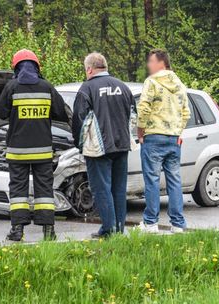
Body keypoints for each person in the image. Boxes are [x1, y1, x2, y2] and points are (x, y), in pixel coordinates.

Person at [0, 49, 69, 241]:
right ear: (37, 67)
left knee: (18, 191)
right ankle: (49, 231)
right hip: (42, 151)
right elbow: (61, 112)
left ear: (16, 67)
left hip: (17, 151)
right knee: (44, 191)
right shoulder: (47, 87)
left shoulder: (11, 87)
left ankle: (17, 230)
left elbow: (0, 112)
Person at [72, 52, 135, 238]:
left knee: (101, 189)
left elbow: (78, 120)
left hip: (98, 149)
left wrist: (80, 144)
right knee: (118, 189)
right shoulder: (123, 87)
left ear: (89, 69)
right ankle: (119, 229)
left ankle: (108, 230)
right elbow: (133, 116)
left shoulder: (88, 88)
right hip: (122, 146)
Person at [136, 49, 191, 234]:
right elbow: (186, 113)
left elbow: (143, 108)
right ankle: (178, 223)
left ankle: (150, 222)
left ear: (161, 63)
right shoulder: (180, 84)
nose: (148, 65)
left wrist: (140, 130)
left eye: (151, 61)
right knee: (174, 180)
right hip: (173, 138)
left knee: (152, 180)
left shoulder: (151, 82)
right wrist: (177, 130)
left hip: (153, 136)